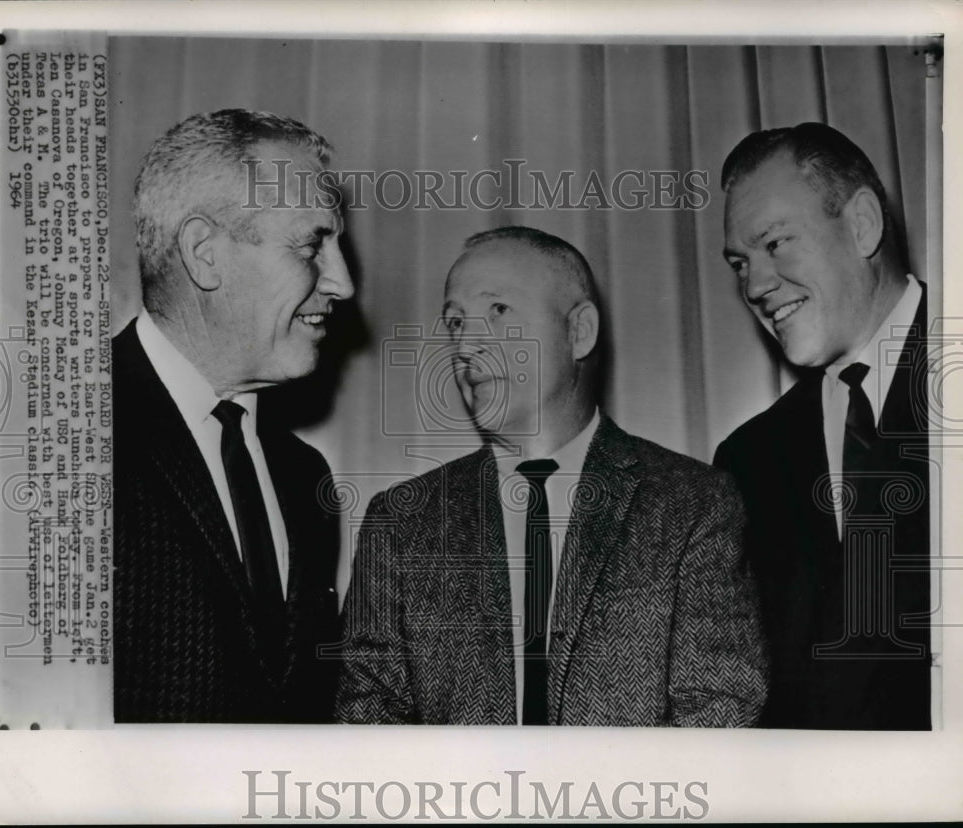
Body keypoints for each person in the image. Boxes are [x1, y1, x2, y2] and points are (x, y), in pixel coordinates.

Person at [336, 226, 767, 726]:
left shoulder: (692, 503)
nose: (467, 344)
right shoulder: (401, 523)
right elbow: (367, 719)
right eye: (455, 323)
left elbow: (719, 709)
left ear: (579, 331)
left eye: (498, 311)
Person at [113, 109, 354, 722]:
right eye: (311, 245)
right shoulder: (62, 441)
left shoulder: (304, 476)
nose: (344, 283)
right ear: (205, 255)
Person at [714, 123, 931, 730]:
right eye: (740, 263)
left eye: (777, 243)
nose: (755, 286)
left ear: (862, 224)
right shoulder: (747, 460)